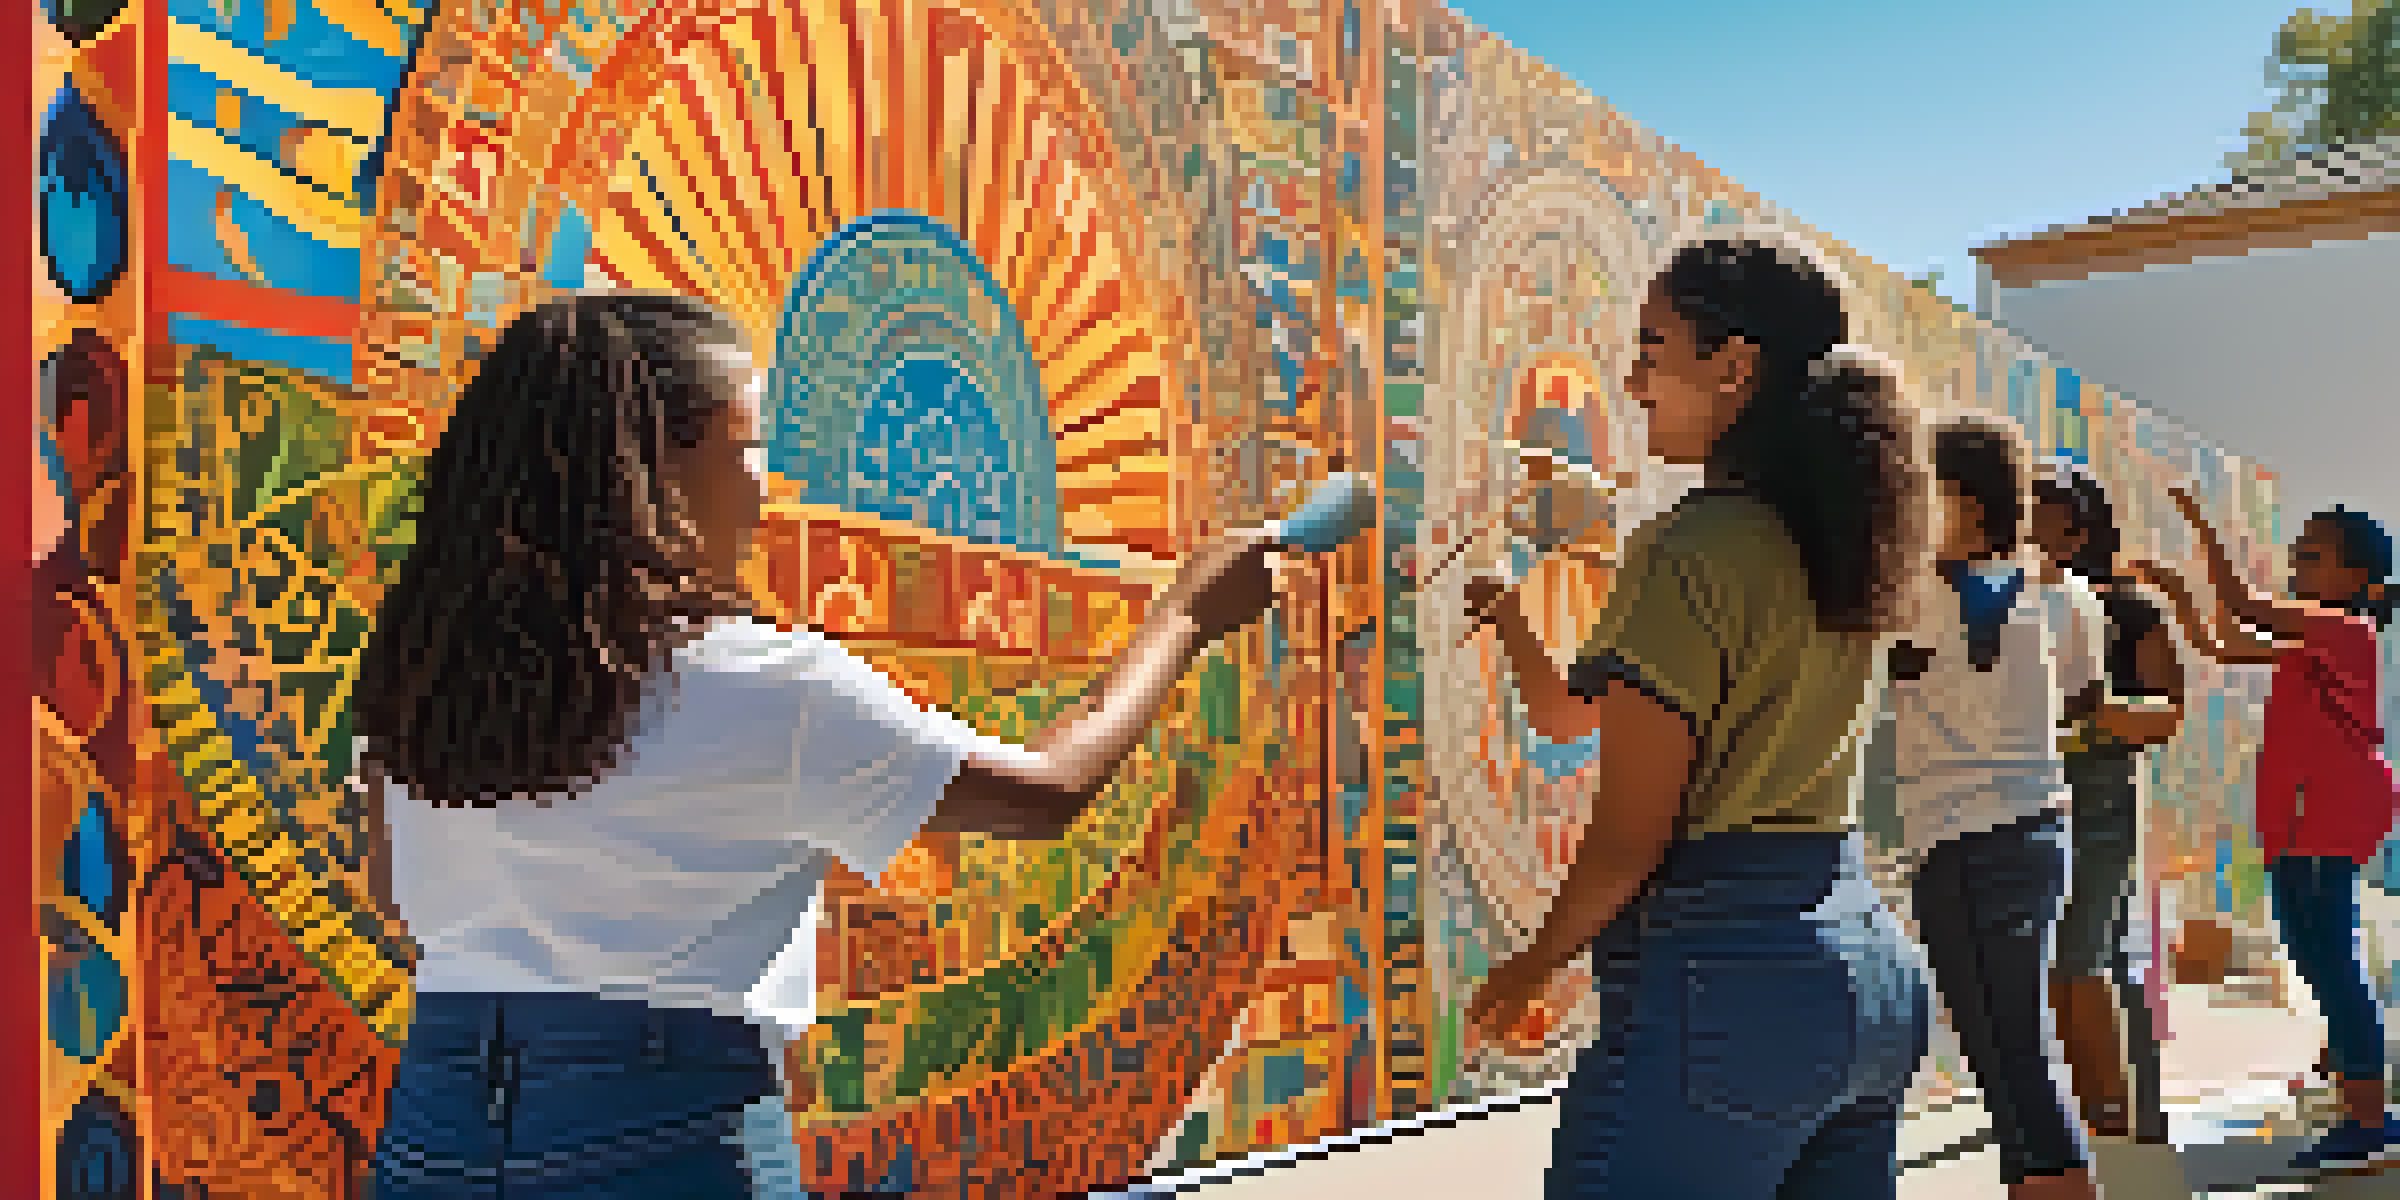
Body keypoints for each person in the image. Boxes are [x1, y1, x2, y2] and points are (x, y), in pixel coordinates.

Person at [352, 292, 1286, 1198]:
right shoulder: (763, 684)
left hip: (442, 1121)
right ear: (655, 473)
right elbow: (1049, 789)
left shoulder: (425, 672)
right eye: (747, 445)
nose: (767, 484)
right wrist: (1187, 614)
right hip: (664, 1121)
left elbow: (396, 896)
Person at [1458, 238, 1932, 1198]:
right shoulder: (1841, 547)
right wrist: (1509, 617)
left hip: (1733, 982)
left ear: (1735, 368)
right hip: (1862, 974)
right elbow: (1571, 711)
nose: (1632, 381)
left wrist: (1533, 965)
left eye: (1651, 345)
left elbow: (1630, 837)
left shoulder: (1690, 548)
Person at [2132, 492, 2398, 1171]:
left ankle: (2372, 1117)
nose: (2299, 564)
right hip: (2292, 826)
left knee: (2332, 959)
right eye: (2299, 553)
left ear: (2359, 581)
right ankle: (2356, 1093)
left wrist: (2200, 530)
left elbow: (2245, 607)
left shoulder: (2347, 634)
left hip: (2324, 820)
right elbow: (2218, 641)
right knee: (2313, 959)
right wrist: (2176, 595)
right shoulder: (2309, 646)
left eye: (2314, 556)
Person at [1886, 420, 2108, 1200]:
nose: (1905, 504)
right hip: (2035, 829)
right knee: (2008, 1053)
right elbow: (2083, 692)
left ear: (1971, 506)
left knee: (2010, 1054)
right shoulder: (2064, 594)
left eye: (1921, 488)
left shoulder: (1913, 590)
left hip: (1967, 840)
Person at [2031, 460, 2188, 1142]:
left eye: (2040, 503)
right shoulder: (1994, 596)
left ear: (2077, 524)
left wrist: (2097, 713)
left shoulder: (2127, 607)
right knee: (2052, 962)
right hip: (2015, 790)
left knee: (2081, 958)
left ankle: (2110, 1119)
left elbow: (2166, 710)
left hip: (2094, 787)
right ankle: (2092, 1116)